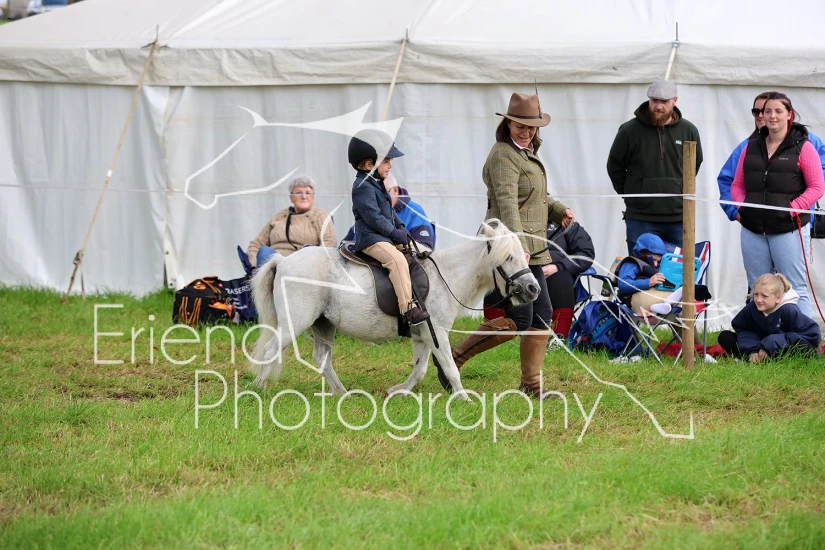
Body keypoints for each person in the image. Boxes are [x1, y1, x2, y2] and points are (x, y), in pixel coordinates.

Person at [436, 92, 576, 399]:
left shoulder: (526, 152)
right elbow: (508, 204)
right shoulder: (502, 155)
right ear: (508, 123)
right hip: (508, 250)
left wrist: (559, 210)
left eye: (531, 127)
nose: (526, 131)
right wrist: (519, 247)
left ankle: (531, 386)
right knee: (521, 318)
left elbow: (537, 196)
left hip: (531, 248)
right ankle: (453, 358)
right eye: (520, 125)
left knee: (541, 313)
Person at [730, 91, 825, 319]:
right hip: (753, 229)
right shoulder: (750, 147)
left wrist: (793, 208)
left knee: (794, 287)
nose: (772, 116)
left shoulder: (804, 147)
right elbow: (737, 185)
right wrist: (743, 208)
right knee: (758, 287)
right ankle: (761, 336)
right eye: (767, 111)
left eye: (778, 111)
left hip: (788, 229)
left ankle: (801, 337)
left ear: (789, 114)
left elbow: (817, 187)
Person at [607, 80, 703, 252]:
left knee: (676, 267)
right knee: (641, 266)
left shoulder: (689, 131)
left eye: (664, 101)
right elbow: (615, 167)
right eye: (654, 101)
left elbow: (694, 165)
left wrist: (678, 187)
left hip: (678, 218)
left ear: (675, 100)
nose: (658, 106)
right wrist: (633, 195)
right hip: (640, 218)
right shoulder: (629, 130)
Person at [348, 129, 429, 326]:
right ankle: (407, 309)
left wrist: (401, 227)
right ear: (369, 165)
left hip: (383, 236)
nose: (390, 166)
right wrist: (394, 233)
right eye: (386, 161)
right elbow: (374, 218)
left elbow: (390, 212)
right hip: (371, 239)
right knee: (397, 260)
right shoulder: (361, 187)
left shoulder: (376, 182)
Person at [718, 91, 825, 224]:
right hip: (755, 227)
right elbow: (727, 180)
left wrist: (794, 206)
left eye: (774, 111)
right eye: (757, 112)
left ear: (787, 113)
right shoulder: (746, 147)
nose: (762, 115)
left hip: (795, 225)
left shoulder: (806, 142)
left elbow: (818, 181)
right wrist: (738, 212)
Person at [717, 273, 820, 361]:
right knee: (725, 337)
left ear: (778, 298)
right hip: (759, 345)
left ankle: (772, 359)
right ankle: (754, 358)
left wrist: (771, 344)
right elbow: (743, 329)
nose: (758, 300)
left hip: (781, 348)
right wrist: (753, 349)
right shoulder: (752, 307)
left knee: (806, 349)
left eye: (764, 296)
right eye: (756, 294)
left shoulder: (789, 309)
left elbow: (811, 336)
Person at [247, 175, 337, 268]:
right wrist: (253, 266)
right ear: (291, 198)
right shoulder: (278, 217)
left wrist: (312, 262)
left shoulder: (320, 215)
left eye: (308, 193)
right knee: (264, 251)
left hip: (302, 264)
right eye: (299, 193)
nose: (304, 196)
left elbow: (329, 243)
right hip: (274, 265)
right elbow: (255, 245)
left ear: (313, 197)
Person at [343, 173, 436, 249]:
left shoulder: (415, 212)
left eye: (384, 192)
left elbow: (425, 248)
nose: (378, 197)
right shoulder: (370, 212)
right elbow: (345, 244)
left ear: (395, 190)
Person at [543, 221, 595, 343]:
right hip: (522, 270)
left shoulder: (565, 222)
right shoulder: (515, 219)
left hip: (556, 274)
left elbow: (586, 253)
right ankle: (500, 331)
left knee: (562, 278)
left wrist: (558, 267)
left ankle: (559, 338)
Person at [615, 233, 682, 317]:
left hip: (655, 296)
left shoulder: (660, 266)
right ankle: (666, 305)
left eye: (658, 261)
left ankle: (665, 306)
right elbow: (623, 284)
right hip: (636, 299)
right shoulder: (632, 263)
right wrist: (649, 282)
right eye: (653, 259)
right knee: (680, 299)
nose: (656, 264)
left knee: (682, 298)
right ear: (641, 253)